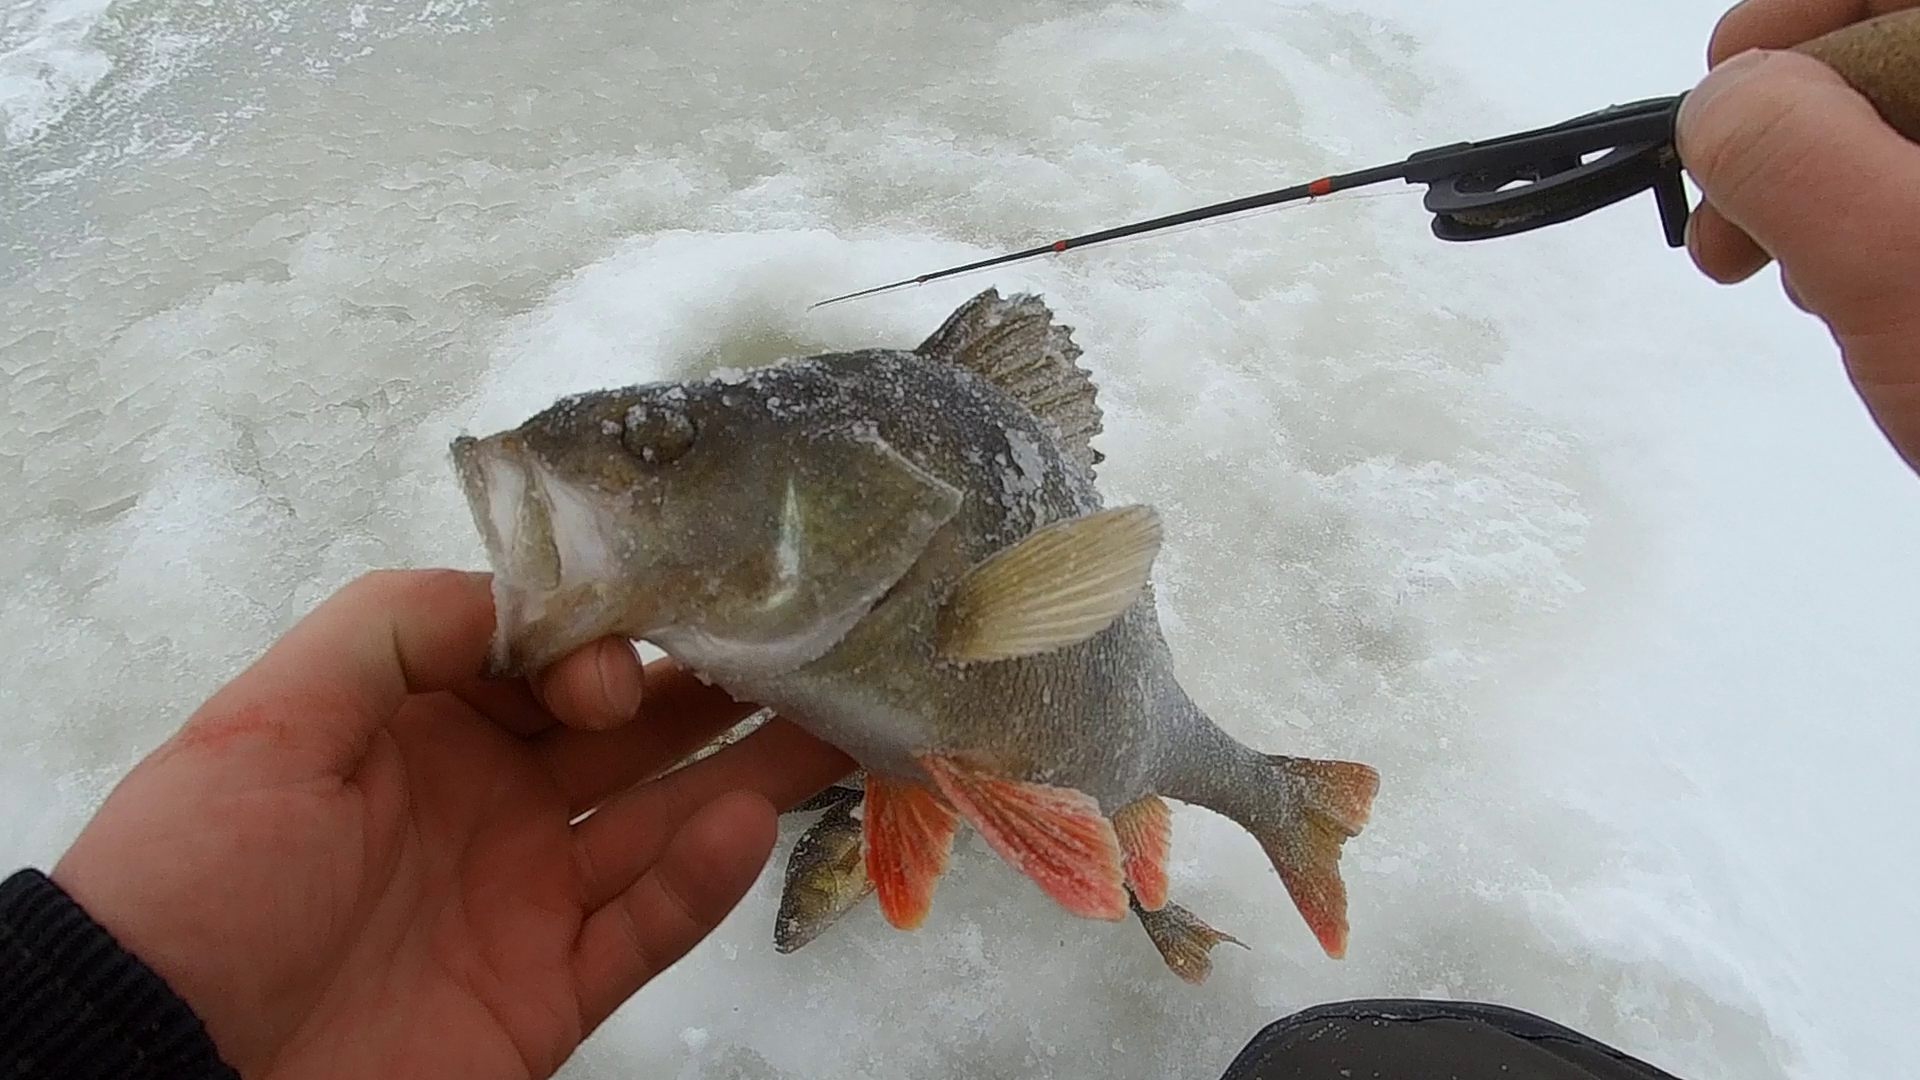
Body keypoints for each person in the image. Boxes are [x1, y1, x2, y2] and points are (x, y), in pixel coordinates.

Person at [2, 1, 1914, 1077]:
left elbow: (1100, 551)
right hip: (903, 675)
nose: (599, 467)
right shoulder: (832, 553)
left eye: (656, 446)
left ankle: (1253, 804)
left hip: (1060, 706)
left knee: (1020, 773)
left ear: (837, 499)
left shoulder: (922, 531)